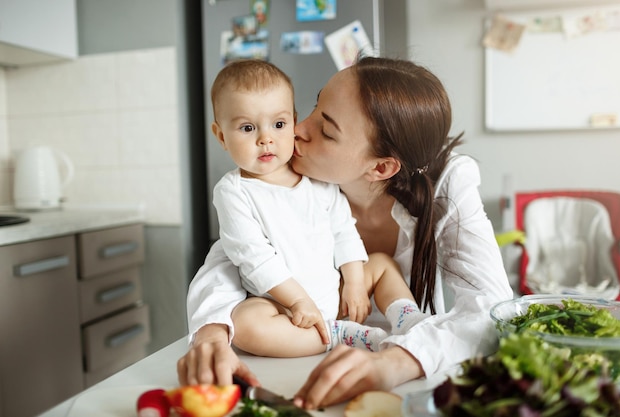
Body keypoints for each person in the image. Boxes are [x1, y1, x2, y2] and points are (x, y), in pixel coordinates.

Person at [178, 56, 513, 409]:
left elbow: (492, 308)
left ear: (380, 167)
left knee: (380, 265)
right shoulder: (281, 168)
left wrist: (397, 361)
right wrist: (211, 332)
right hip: (308, 336)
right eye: (313, 107)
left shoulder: (448, 183)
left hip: (404, 361)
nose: (295, 129)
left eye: (326, 130)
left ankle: (406, 322)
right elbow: (235, 254)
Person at [207, 59, 421, 358]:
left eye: (279, 125)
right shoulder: (234, 192)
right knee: (245, 325)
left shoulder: (316, 180)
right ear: (221, 137)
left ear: (292, 122)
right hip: (280, 304)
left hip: (333, 289)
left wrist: (355, 283)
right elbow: (254, 258)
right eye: (247, 128)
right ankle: (334, 335)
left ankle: (409, 320)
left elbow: (344, 230)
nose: (265, 138)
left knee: (382, 263)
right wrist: (296, 302)